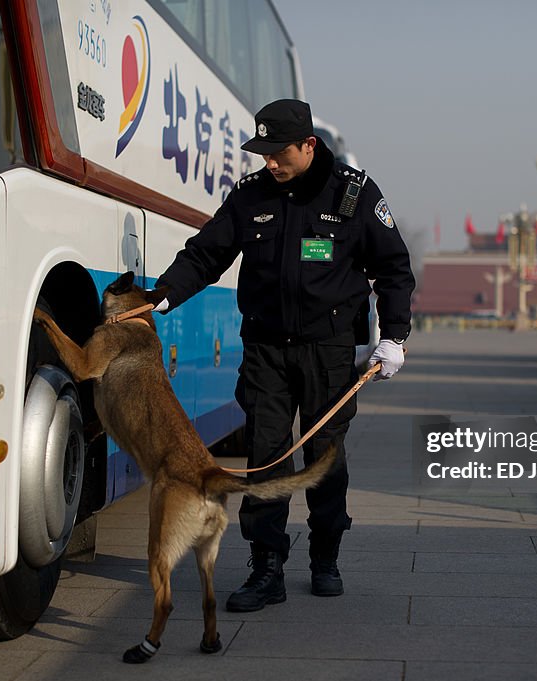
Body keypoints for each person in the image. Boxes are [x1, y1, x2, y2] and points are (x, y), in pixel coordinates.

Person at [153, 98, 415, 611]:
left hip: (329, 351)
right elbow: (208, 251)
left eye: (279, 153)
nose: (269, 163)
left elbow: (393, 268)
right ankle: (267, 568)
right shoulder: (251, 195)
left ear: (308, 144)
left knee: (323, 456)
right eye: (263, 153)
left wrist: (395, 336)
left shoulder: (354, 193)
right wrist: (165, 293)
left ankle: (325, 557)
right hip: (266, 349)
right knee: (267, 456)